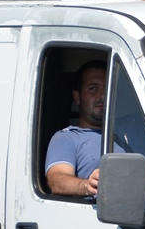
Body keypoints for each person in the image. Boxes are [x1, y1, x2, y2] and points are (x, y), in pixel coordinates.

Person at [45, 60, 109, 198]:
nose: (103, 95)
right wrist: (88, 186)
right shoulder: (66, 137)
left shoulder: (131, 132)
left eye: (108, 88)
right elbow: (57, 180)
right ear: (77, 97)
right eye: (93, 88)